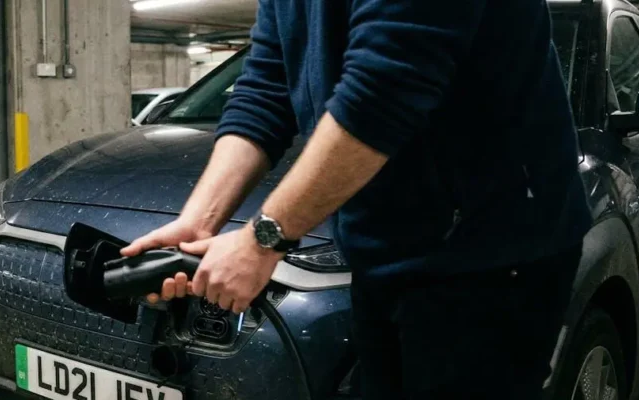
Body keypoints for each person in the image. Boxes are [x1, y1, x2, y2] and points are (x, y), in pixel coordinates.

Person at [120, 0, 591, 398]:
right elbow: (266, 87)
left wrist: (262, 241)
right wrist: (198, 222)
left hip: (490, 253)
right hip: (385, 250)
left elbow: (385, 88)